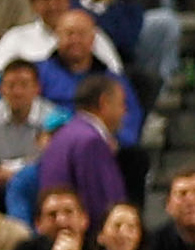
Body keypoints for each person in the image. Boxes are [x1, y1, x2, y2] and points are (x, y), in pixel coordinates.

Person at [29, 71, 127, 225]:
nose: (124, 111)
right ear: (104, 103)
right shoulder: (90, 141)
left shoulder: (65, 134)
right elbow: (99, 202)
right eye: (121, 104)